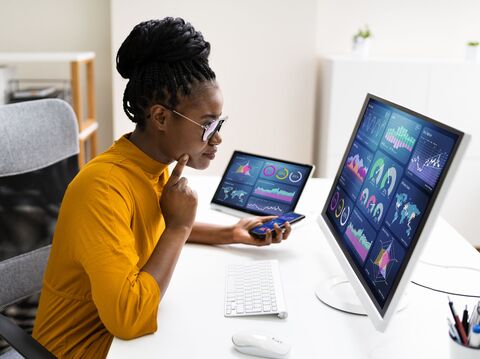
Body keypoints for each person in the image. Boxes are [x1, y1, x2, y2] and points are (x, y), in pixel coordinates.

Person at [32, 17, 292, 358]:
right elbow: (129, 319)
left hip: (119, 343)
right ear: (160, 117)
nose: (216, 138)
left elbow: (147, 226)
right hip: (81, 349)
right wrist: (180, 226)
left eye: (219, 122)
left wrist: (230, 232)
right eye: (206, 124)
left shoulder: (149, 167)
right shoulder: (104, 188)